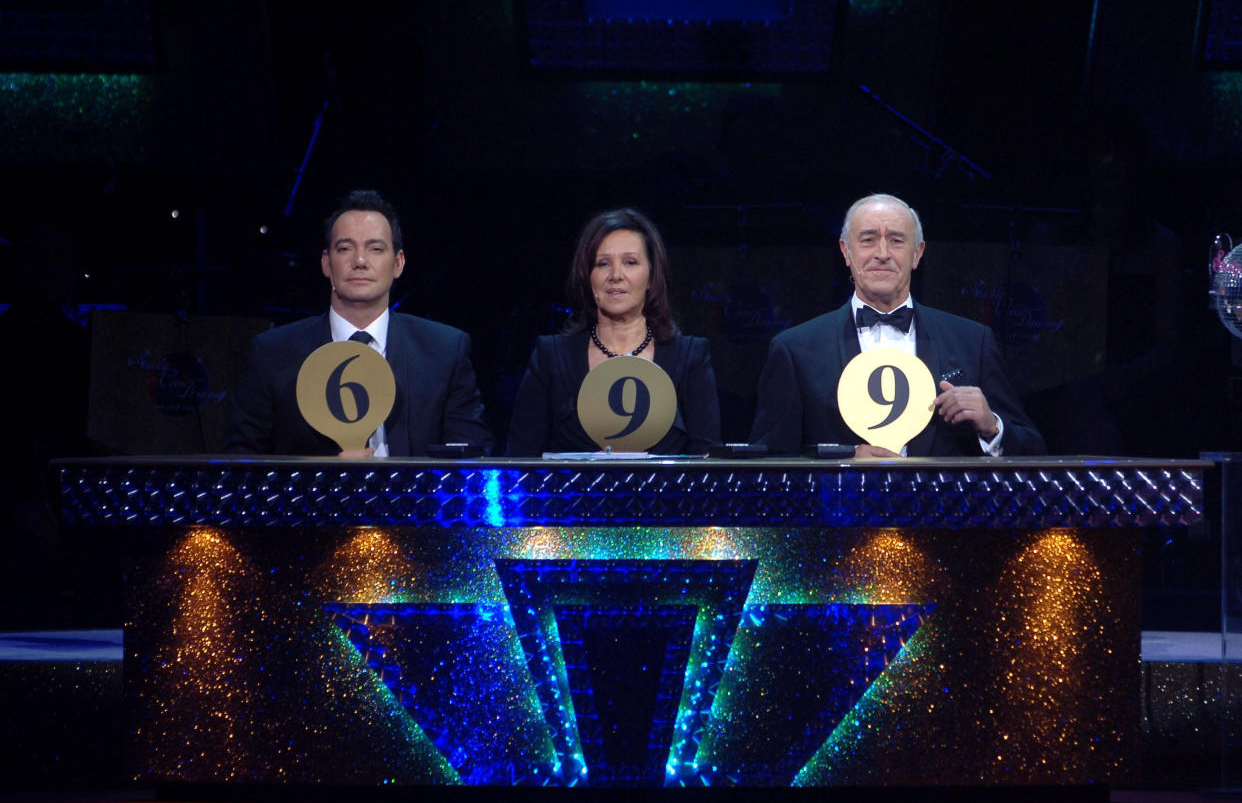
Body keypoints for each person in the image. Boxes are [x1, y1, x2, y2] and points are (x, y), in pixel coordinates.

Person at [750, 193, 1045, 457]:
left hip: (942, 516)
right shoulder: (795, 349)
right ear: (845, 251)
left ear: (917, 253)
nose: (882, 253)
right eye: (867, 239)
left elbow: (1033, 451)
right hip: (840, 515)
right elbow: (769, 464)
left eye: (896, 240)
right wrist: (841, 464)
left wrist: (991, 426)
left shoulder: (973, 341)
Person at [222, 190, 491, 456]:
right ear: (326, 264)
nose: (360, 261)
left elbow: (471, 462)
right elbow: (241, 464)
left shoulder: (444, 350)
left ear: (398, 263)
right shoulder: (272, 353)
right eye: (345, 249)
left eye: (375, 249)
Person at [506, 208, 721, 455]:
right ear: (588, 277)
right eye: (603, 264)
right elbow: (520, 460)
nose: (616, 276)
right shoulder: (551, 356)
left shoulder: (691, 356)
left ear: (651, 276)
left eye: (630, 262)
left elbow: (708, 463)